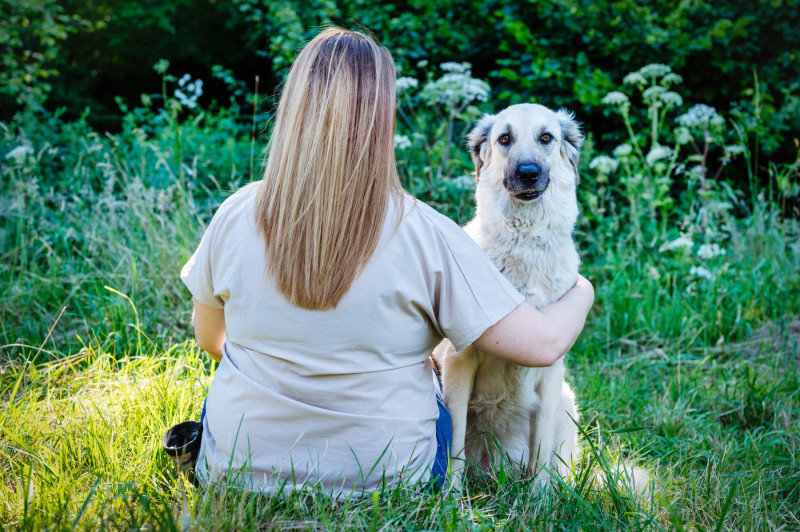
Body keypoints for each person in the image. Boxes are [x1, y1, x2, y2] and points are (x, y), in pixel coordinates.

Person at [180, 27, 594, 496]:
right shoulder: (427, 233)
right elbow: (542, 347)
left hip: (239, 467)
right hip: (388, 477)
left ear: (291, 111)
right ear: (382, 120)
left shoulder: (234, 213)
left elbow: (211, 340)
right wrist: (582, 289)